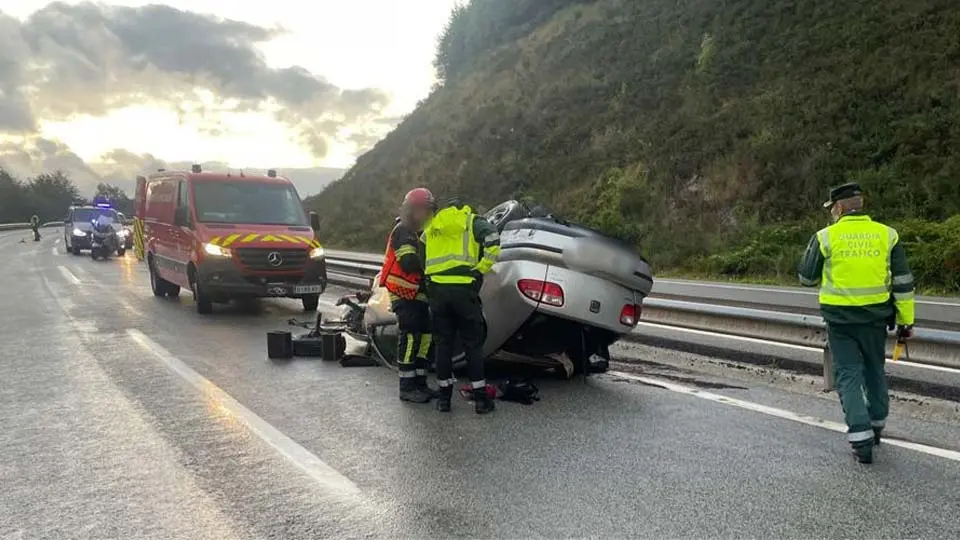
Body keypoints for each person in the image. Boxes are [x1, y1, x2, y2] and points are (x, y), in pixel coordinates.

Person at [798, 182, 915, 464]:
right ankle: (876, 428)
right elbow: (903, 282)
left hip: (840, 322)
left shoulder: (826, 237)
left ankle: (861, 441)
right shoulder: (887, 235)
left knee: (849, 374)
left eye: (832, 209)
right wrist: (906, 321)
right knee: (875, 370)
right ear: (860, 204)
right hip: (876, 319)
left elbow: (806, 278)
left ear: (838, 208)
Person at [423, 199, 502, 414]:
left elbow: (421, 251)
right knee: (472, 345)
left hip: (438, 292)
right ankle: (480, 400)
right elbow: (494, 239)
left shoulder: (432, 225)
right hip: (464, 290)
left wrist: (429, 281)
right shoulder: (472, 220)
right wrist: (481, 268)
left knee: (443, 345)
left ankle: (444, 400)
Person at [378, 188, 438, 403]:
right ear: (411, 211)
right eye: (422, 210)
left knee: (426, 338)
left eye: (428, 211)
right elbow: (408, 262)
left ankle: (420, 384)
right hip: (403, 294)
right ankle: (406, 387)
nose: (426, 215)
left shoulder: (418, 233)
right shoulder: (403, 231)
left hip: (418, 294)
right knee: (411, 337)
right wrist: (433, 258)